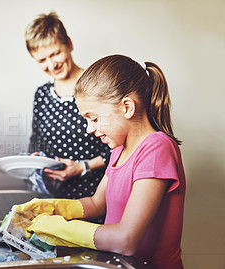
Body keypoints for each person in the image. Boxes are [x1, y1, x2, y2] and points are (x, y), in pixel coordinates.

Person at [15, 54, 186, 269]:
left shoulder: (156, 148)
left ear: (127, 107)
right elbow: (96, 204)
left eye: (94, 118)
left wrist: (59, 229)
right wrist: (52, 207)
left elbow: (126, 240)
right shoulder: (118, 149)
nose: (89, 128)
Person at [25, 12, 111, 201]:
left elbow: (121, 146)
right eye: (42, 60)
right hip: (55, 199)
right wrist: (36, 158)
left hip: (97, 196)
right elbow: (36, 140)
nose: (51, 64)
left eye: (55, 53)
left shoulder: (96, 85)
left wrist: (83, 167)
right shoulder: (42, 95)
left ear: (69, 44)